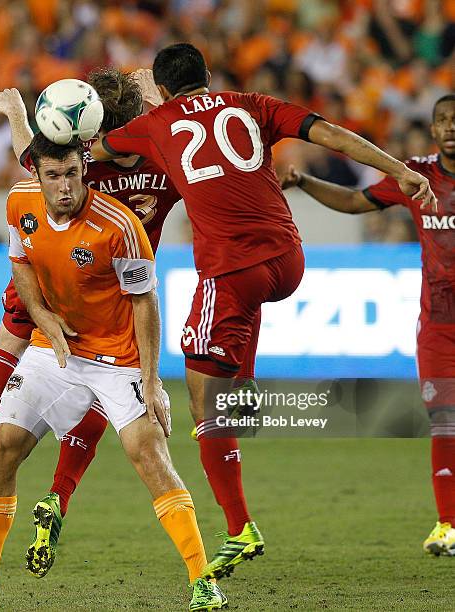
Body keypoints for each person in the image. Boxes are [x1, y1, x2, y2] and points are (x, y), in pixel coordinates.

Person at [89, 43, 437, 579]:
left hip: (232, 269)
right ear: (208, 75)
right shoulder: (254, 103)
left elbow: (93, 148)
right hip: (288, 261)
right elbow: (332, 134)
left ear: (161, 90)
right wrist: (401, 170)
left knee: (203, 407)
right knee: (228, 376)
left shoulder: (155, 121)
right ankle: (243, 397)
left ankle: (238, 526)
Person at [0, 68, 261, 585]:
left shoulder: (78, 162)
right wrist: (161, 98)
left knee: (17, 335)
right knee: (119, 416)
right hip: (118, 303)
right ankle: (57, 498)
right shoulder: (164, 161)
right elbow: (198, 153)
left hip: (68, 283)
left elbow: (32, 156)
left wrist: (19, 114)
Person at [280, 93, 455, 556]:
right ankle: (448, 524)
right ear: (433, 130)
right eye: (442, 120)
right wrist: (303, 180)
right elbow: (357, 202)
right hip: (438, 323)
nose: (451, 127)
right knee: (444, 421)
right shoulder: (417, 176)